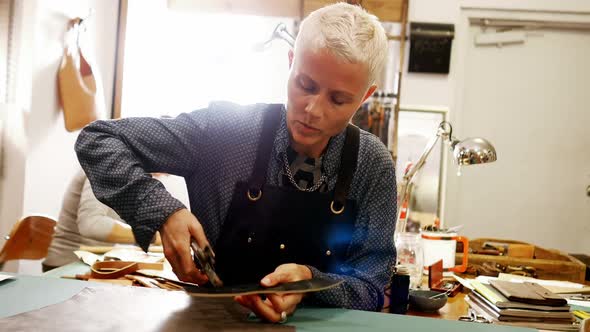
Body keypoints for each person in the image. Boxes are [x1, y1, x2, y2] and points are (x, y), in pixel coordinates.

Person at [75, 3, 396, 323]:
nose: (313, 109)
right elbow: (98, 140)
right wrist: (162, 210)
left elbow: (370, 286)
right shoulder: (226, 130)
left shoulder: (372, 164)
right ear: (290, 62)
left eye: (338, 100)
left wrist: (309, 282)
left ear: (365, 96)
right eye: (305, 85)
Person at [43, 171, 185, 271]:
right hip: (67, 265)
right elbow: (91, 224)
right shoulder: (104, 168)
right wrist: (151, 235)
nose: (162, 175)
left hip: (95, 261)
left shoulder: (134, 177)